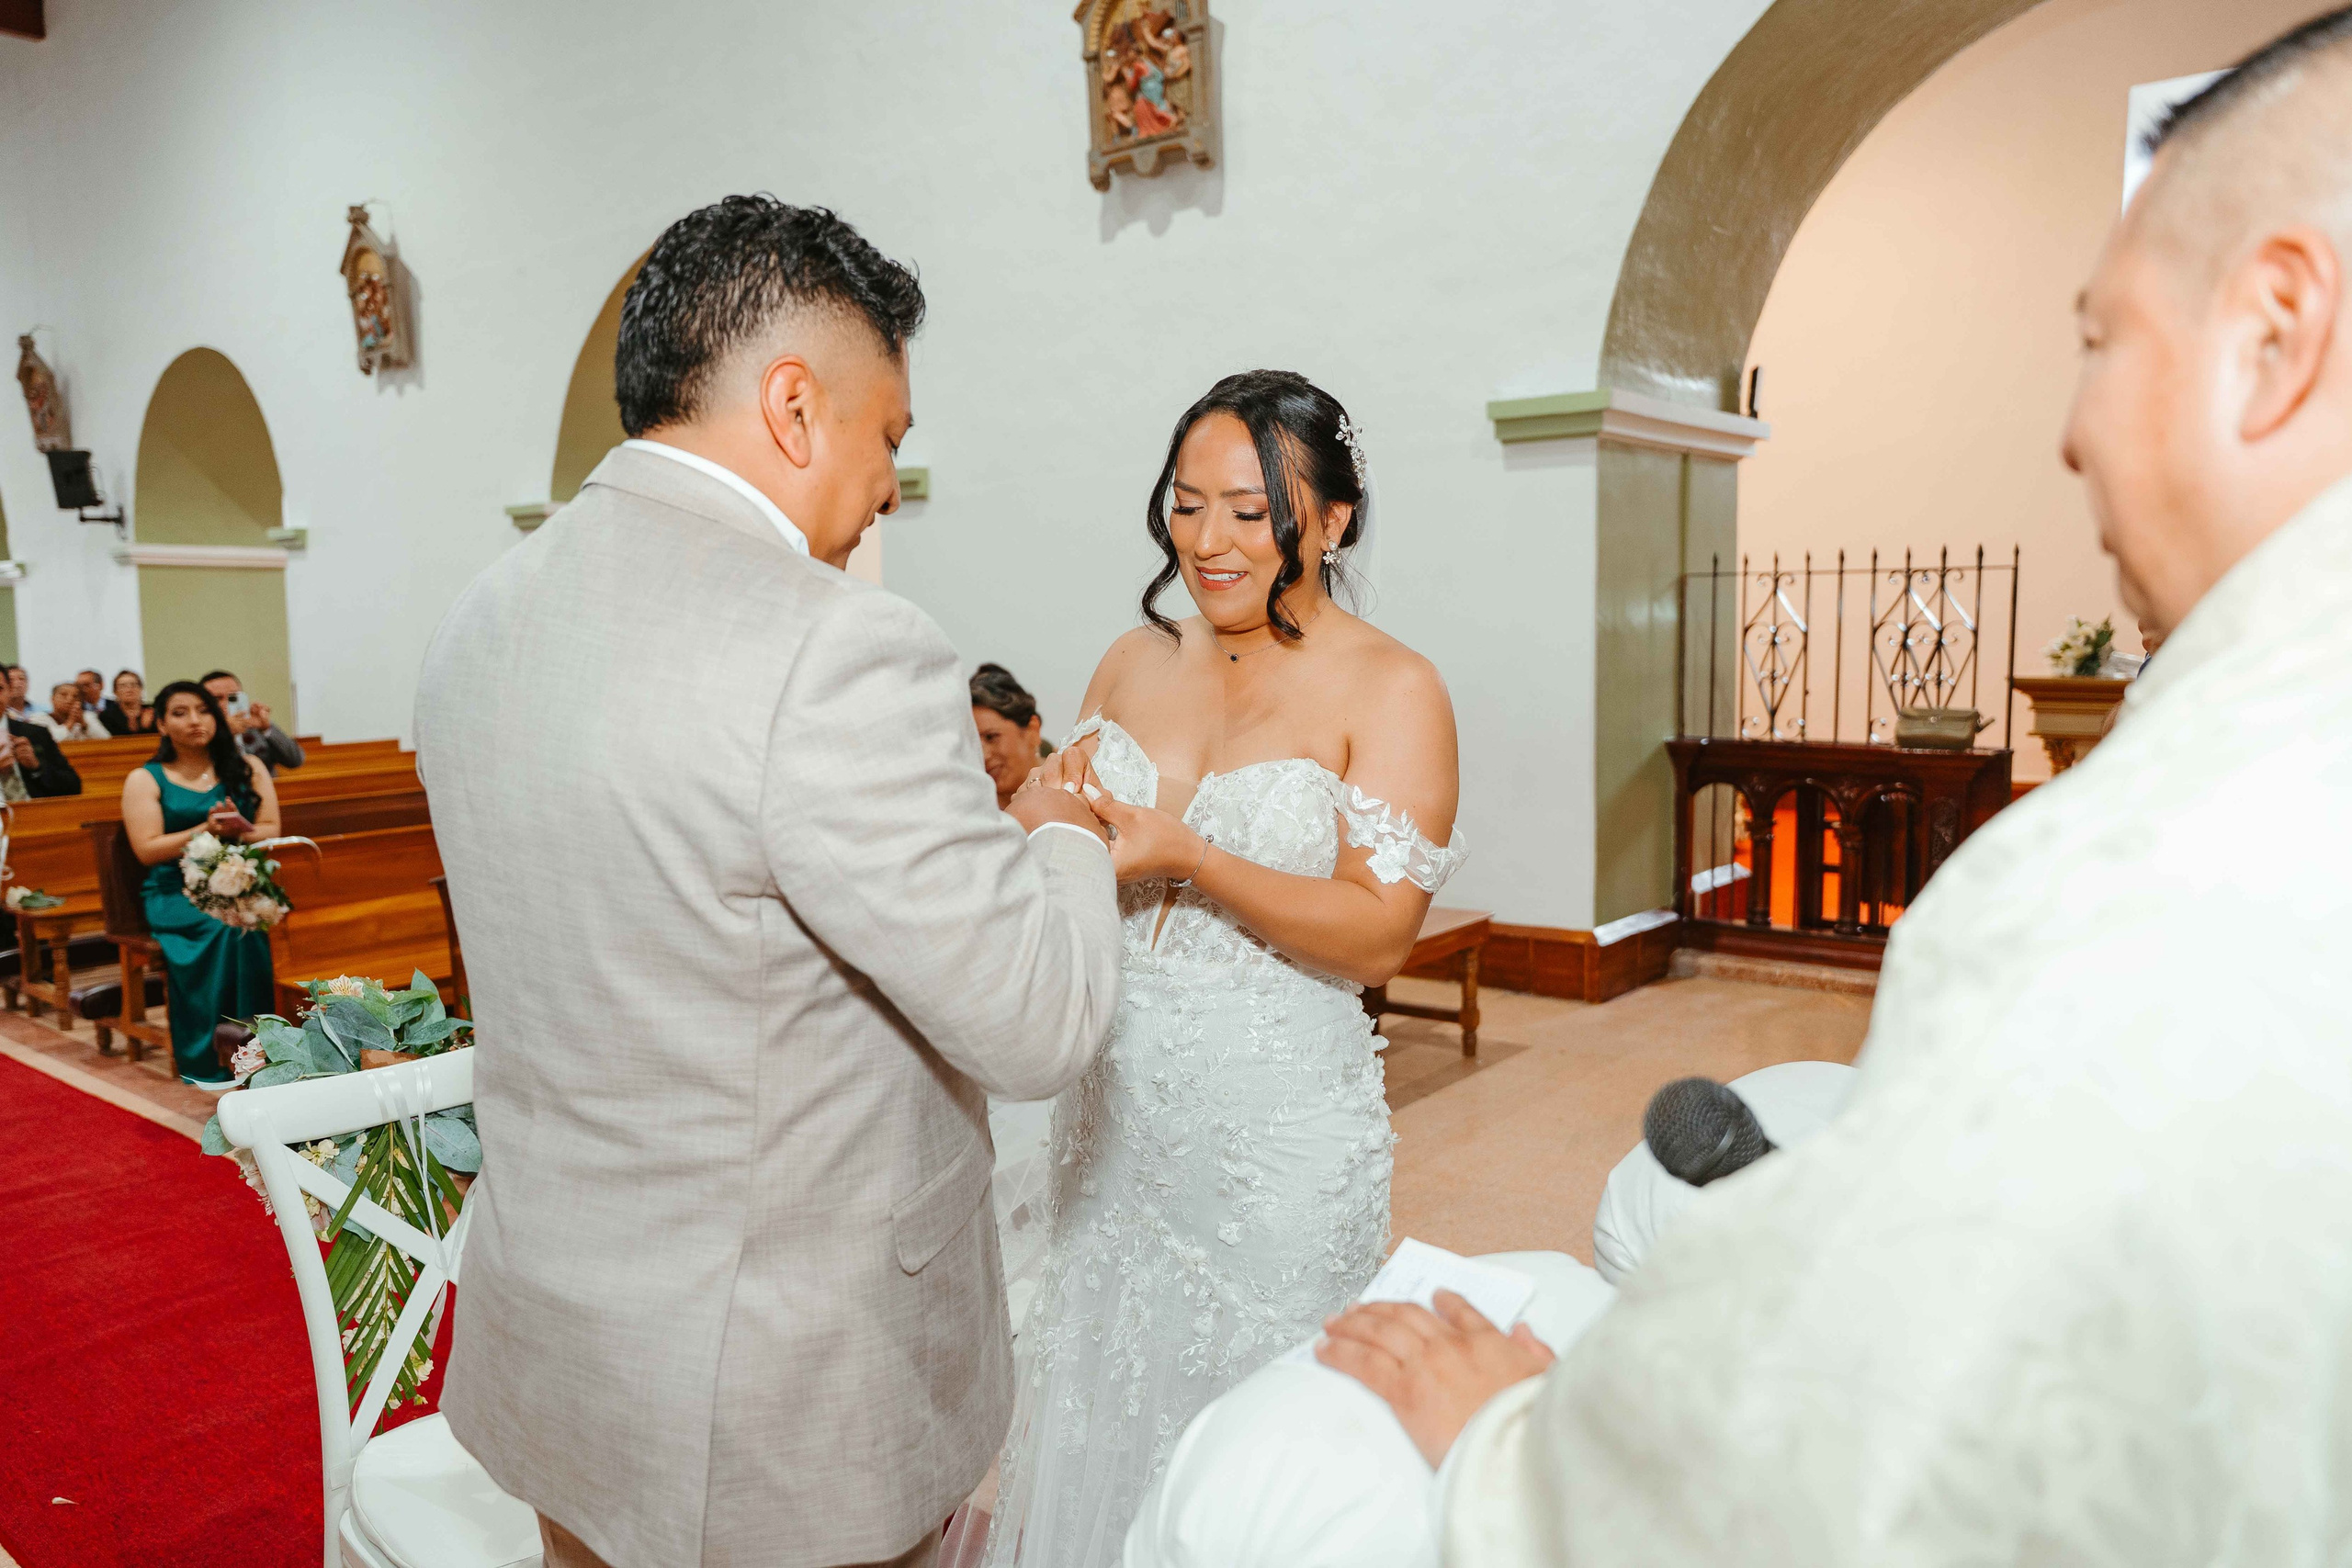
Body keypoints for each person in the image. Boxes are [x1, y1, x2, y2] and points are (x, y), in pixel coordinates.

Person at [1251, 14, 2352, 1563]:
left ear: (2278, 327)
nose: (2070, 427)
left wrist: (1512, 1441)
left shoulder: (2146, 866)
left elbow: (1857, 1457)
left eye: (2102, 340)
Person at [415, 197, 1124, 1568]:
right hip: (775, 1404)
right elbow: (1037, 1021)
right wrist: (1061, 828)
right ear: (795, 406)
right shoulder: (836, 650)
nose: (891, 485)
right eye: (888, 437)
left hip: (560, 1348)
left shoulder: (482, 614)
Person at [982, 370, 1466, 1566]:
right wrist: (1047, 811)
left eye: (1251, 511)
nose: (1209, 540)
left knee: (1256, 1453)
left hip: (1272, 1140)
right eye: (1187, 504)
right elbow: (1054, 807)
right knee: (1093, 1405)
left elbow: (1381, 929)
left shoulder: (1393, 687)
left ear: (1333, 519)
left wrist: (1190, 856)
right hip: (1110, 1115)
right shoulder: (1130, 656)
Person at [119, 681, 280, 1089]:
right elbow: (147, 849)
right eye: (179, 712)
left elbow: (272, 829)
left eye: (203, 710)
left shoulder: (248, 767)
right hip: (175, 892)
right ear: (160, 724)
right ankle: (216, 1052)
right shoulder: (145, 778)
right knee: (227, 929)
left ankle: (272, 1045)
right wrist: (204, 830)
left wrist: (239, 831)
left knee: (266, 923)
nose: (195, 720)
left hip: (238, 881)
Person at [971, 662, 1051, 809]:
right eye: (972, 743)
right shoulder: (970, 812)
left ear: (1033, 730)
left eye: (991, 737)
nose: (984, 755)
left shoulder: (1073, 788)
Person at [198, 670, 303, 772]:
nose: (226, 704)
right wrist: (224, 732)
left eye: (233, 697)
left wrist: (266, 729)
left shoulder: (254, 724)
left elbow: (295, 760)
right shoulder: (201, 731)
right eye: (217, 699)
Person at [1, 706, 80, 799]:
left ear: (9, 691)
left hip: (35, 809)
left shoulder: (35, 733)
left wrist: (36, 768)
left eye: (1, 691)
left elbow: (73, 787)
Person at [42, 682, 109, 741]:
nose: (70, 699)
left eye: (75, 696)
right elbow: (51, 741)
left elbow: (106, 740)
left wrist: (84, 725)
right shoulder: (40, 719)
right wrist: (71, 722)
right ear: (52, 699)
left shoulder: (87, 716)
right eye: (63, 695)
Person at [100, 669, 157, 735]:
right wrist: (143, 728)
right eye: (123, 686)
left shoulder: (152, 711)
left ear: (141, 689)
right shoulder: (107, 716)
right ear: (115, 692)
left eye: (133, 685)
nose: (129, 689)